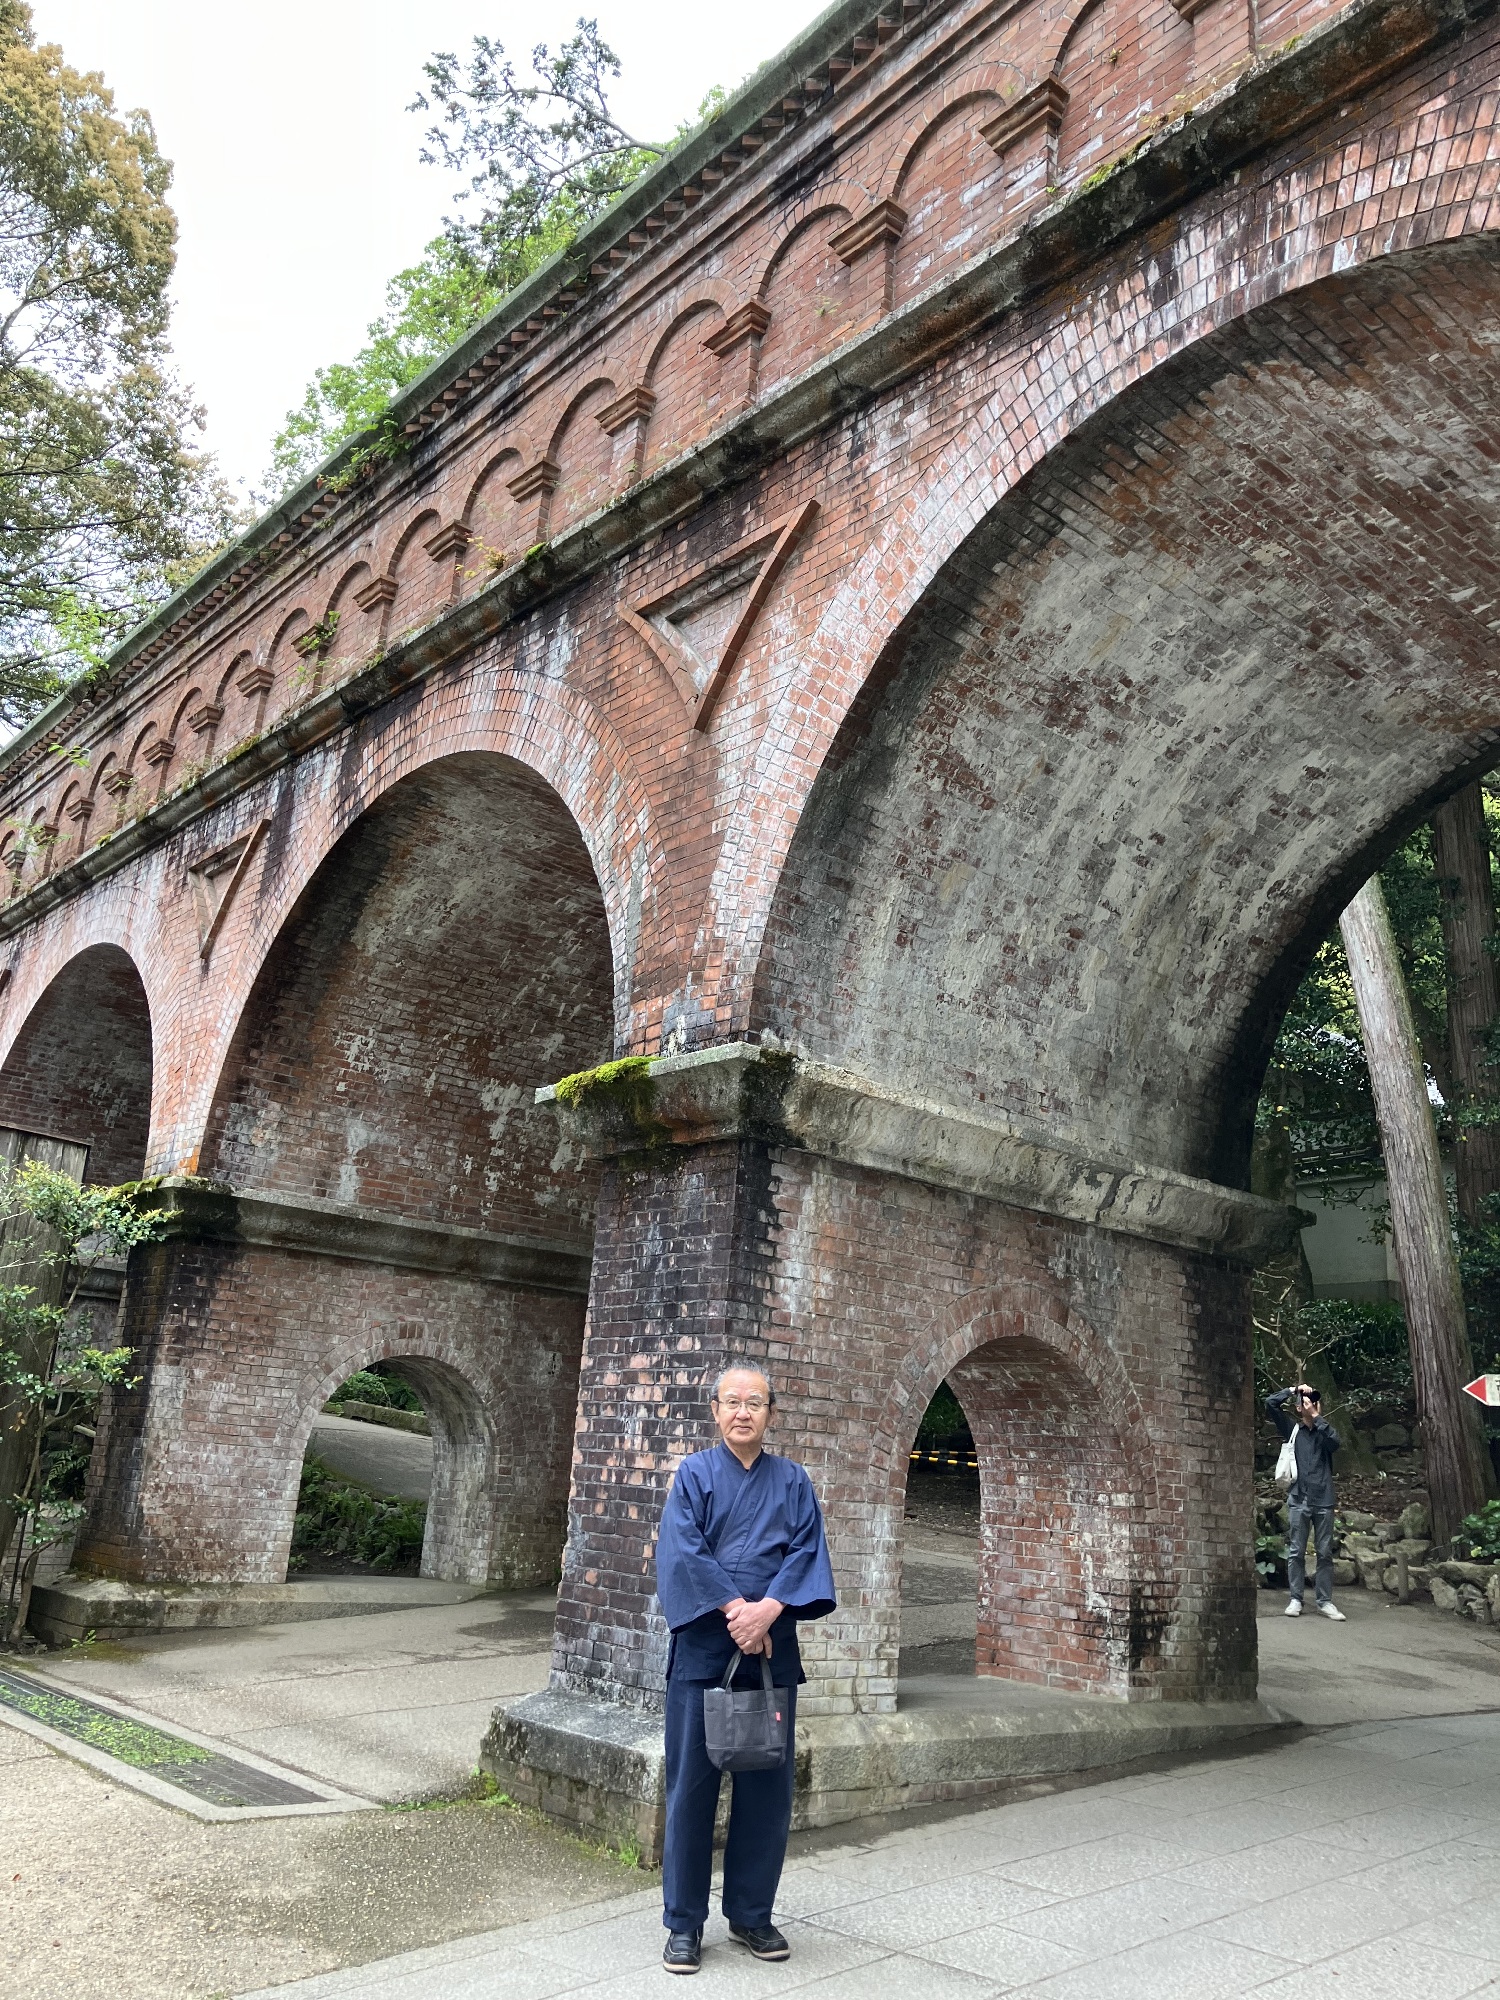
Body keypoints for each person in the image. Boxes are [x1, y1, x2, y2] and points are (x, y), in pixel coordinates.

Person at [653, 1362, 836, 1976]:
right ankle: (683, 1922)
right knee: (691, 1790)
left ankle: (752, 1913)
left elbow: (806, 1550)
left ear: (770, 1413)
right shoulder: (695, 1475)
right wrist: (737, 1609)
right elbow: (684, 1552)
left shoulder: (793, 1481)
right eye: (731, 1401)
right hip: (707, 1653)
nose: (742, 1412)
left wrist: (770, 1611)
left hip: (768, 1656)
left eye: (754, 1403)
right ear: (714, 1410)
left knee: (766, 1790)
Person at [1266, 1382, 1346, 1621]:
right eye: (1306, 1402)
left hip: (1324, 1499)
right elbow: (1270, 1404)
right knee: (1296, 1551)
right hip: (1299, 1497)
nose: (1310, 1403)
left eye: (1313, 1401)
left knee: (1324, 1552)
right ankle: (1296, 1599)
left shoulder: (1324, 1431)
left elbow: (1336, 1443)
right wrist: (1292, 1391)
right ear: (1298, 1408)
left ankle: (1325, 1601)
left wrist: (1316, 1418)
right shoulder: (1292, 1430)